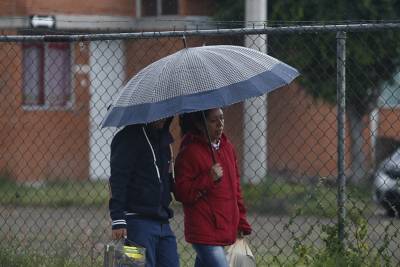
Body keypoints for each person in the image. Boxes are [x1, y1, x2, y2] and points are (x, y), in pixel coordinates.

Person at [174, 108, 252, 267]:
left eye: (222, 119)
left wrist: (241, 222)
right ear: (200, 124)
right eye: (213, 120)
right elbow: (181, 192)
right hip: (204, 230)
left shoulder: (227, 147)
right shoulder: (189, 152)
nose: (220, 124)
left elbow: (235, 188)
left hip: (224, 226)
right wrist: (208, 178)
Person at [108, 117, 180, 267]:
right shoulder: (127, 138)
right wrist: (118, 219)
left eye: (166, 114)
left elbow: (169, 182)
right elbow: (117, 181)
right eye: (158, 115)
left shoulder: (164, 141)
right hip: (136, 223)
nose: (163, 118)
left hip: (162, 223)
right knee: (132, 263)